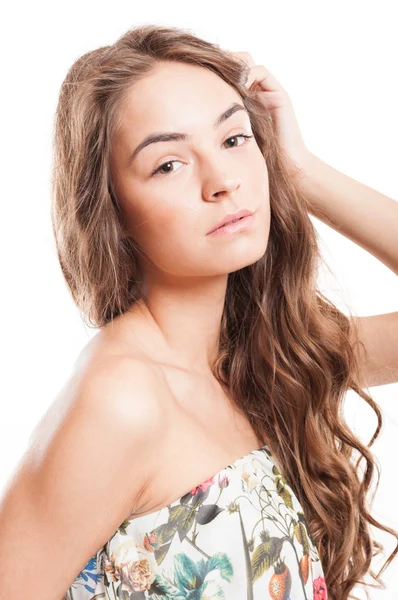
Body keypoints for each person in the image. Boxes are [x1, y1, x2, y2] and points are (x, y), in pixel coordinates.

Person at [1, 23, 397, 600]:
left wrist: (302, 170)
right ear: (111, 210)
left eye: (235, 140)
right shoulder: (124, 398)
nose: (223, 182)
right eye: (168, 164)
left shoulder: (266, 357)